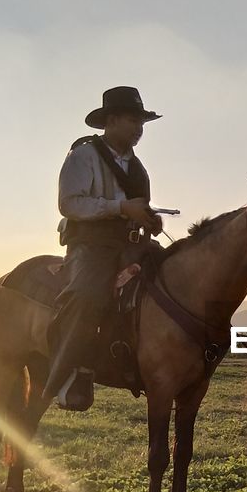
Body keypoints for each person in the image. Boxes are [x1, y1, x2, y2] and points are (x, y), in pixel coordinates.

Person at [44, 86, 163, 411]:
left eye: (141, 122)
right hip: (90, 243)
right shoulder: (83, 156)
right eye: (132, 120)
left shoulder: (138, 169)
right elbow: (69, 203)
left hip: (129, 241)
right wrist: (121, 208)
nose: (138, 129)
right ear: (110, 120)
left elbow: (139, 209)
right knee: (87, 295)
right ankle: (68, 370)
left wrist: (149, 221)